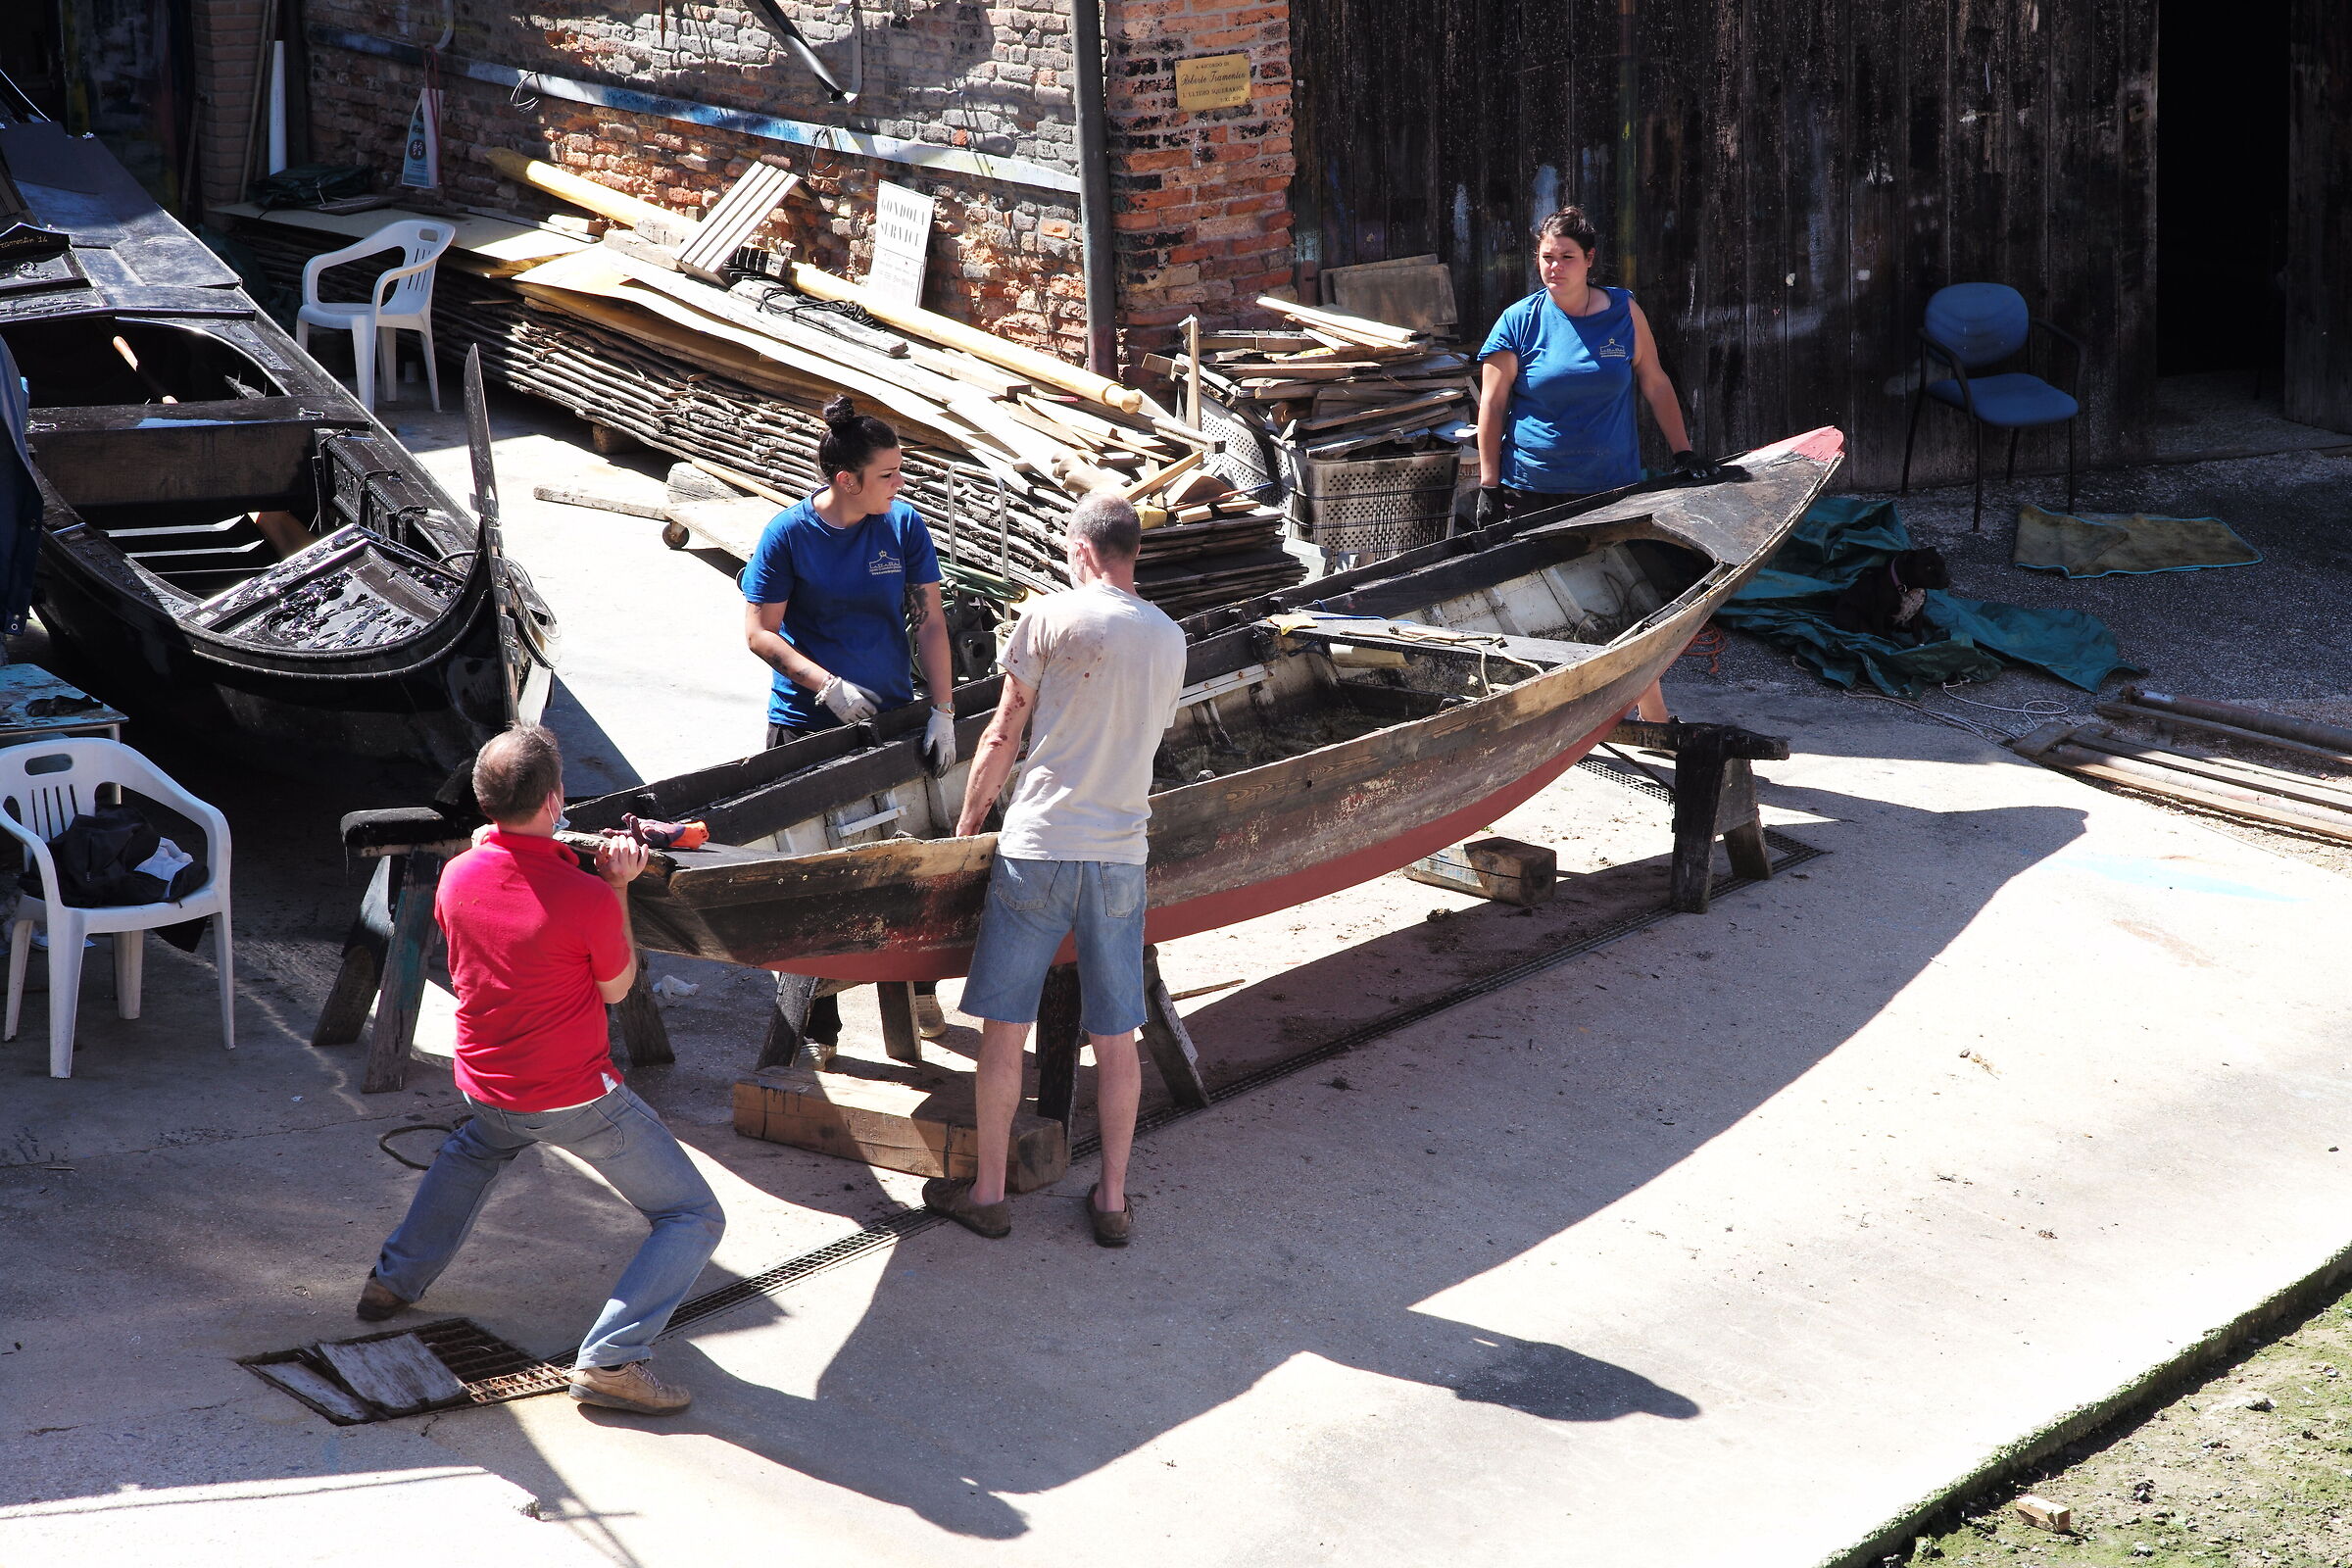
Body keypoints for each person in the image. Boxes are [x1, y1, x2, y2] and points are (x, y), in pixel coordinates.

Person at [356, 724, 724, 1417]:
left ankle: (393, 1281)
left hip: (484, 1083)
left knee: (478, 1143)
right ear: (555, 800)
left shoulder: (459, 872)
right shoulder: (582, 894)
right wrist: (616, 884)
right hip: (570, 1095)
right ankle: (613, 1360)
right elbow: (617, 991)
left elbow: (496, 878)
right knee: (692, 1215)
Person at [926, 491, 1187, 1248]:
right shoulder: (1170, 639)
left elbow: (1004, 732)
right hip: (1118, 857)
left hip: (1037, 848)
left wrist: (968, 825)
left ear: (1081, 551)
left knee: (1005, 1030)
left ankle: (990, 1193)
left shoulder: (1048, 615)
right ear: (1131, 553)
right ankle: (1110, 1200)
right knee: (1116, 1039)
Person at [743, 395, 957, 1043]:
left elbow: (931, 623)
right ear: (847, 481)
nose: (901, 483)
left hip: (891, 717)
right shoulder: (789, 535)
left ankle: (919, 983)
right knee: (816, 878)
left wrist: (942, 710)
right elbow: (759, 632)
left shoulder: (901, 526)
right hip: (808, 723)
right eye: (889, 474)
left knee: (913, 859)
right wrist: (823, 684)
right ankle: (819, 1020)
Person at [1474, 204, 1709, 719]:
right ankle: (1557, 718)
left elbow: (1654, 381)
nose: (1554, 267)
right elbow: (1490, 405)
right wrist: (1489, 485)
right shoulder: (1520, 321)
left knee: (1626, 602)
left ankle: (1653, 714)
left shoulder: (1623, 312)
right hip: (1533, 488)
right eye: (1546, 257)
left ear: (1589, 260)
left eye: (1566, 257)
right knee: (1545, 606)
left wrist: (1683, 451)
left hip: (1610, 488)